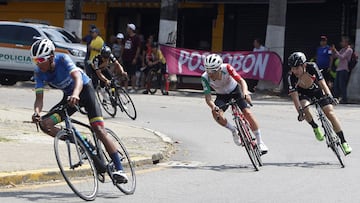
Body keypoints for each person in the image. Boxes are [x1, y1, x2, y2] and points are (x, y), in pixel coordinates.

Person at [30, 39, 128, 183]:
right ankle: (81, 143)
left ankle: (120, 169)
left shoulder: (62, 59)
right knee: (45, 124)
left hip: (84, 91)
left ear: (51, 57)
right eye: (34, 60)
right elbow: (39, 97)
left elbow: (78, 78)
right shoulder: (39, 72)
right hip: (70, 98)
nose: (37, 63)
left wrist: (76, 94)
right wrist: (36, 112)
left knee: (99, 130)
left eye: (40, 59)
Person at [201, 54, 268, 153]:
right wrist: (213, 107)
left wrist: (245, 92)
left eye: (213, 71)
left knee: (247, 113)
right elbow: (208, 98)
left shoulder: (227, 68)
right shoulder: (205, 77)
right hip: (222, 95)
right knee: (215, 114)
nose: (210, 74)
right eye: (208, 70)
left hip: (235, 91)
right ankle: (233, 130)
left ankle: (260, 142)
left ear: (219, 68)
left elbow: (241, 81)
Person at [287, 52, 352, 154]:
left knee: (330, 113)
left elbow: (322, 83)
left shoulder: (312, 67)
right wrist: (299, 112)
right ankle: (315, 127)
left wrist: (329, 96)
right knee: (304, 107)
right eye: (292, 68)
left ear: (304, 65)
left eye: (296, 68)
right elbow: (295, 97)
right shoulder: (291, 77)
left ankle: (344, 142)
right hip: (303, 94)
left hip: (316, 90)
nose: (294, 71)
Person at [331, 36, 353, 104]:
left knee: (342, 85)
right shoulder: (342, 49)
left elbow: (342, 57)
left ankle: (344, 99)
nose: (341, 43)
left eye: (343, 41)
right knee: (336, 85)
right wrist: (333, 52)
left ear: (346, 42)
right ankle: (336, 98)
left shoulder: (349, 50)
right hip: (339, 69)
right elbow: (336, 56)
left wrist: (336, 51)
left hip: (344, 69)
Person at [122, 24, 141, 93]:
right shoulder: (126, 37)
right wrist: (122, 56)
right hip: (125, 57)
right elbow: (123, 46)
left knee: (133, 73)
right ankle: (125, 87)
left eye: (128, 28)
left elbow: (138, 48)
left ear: (131, 29)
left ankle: (133, 87)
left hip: (132, 58)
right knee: (125, 73)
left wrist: (135, 58)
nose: (127, 29)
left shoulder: (136, 38)